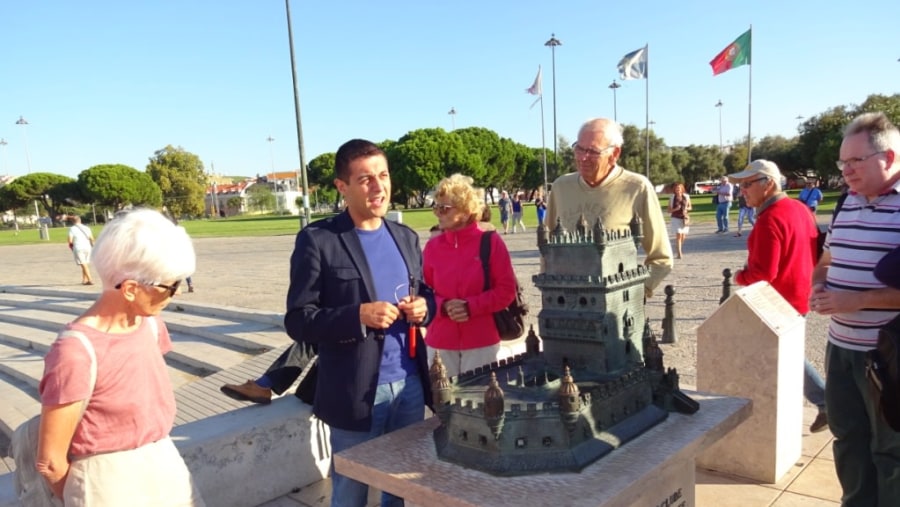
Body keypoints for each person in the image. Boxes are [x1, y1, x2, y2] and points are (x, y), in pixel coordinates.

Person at [283, 139, 435, 507]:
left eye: (383, 175)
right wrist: (357, 315)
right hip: (356, 390)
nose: (378, 186)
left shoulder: (406, 237)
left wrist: (423, 308)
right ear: (342, 187)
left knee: (400, 486)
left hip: (410, 383)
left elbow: (428, 294)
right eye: (365, 179)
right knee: (351, 489)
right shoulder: (318, 241)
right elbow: (298, 320)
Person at [37, 209, 205, 506]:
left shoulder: (152, 326)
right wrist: (84, 494)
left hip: (165, 464)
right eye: (171, 285)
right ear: (130, 289)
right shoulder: (75, 352)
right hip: (106, 481)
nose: (175, 294)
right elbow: (51, 461)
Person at [811, 112, 900, 506]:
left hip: (886, 354)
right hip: (840, 347)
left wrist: (857, 300)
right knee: (848, 438)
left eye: (855, 162)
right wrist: (817, 284)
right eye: (842, 163)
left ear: (889, 157)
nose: (845, 171)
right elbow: (827, 259)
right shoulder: (847, 202)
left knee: (891, 451)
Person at [729, 160, 828, 434]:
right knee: (788, 354)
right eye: (740, 186)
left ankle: (821, 401)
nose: (742, 191)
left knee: (783, 355)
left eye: (747, 185)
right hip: (801, 294)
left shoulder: (769, 220)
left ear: (768, 184)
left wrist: (740, 276)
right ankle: (819, 402)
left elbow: (763, 274)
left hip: (778, 302)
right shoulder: (799, 208)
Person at [545, 117, 673, 296]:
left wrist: (634, 293)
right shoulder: (561, 187)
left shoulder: (637, 188)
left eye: (593, 151)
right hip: (567, 302)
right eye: (579, 148)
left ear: (614, 154)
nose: (583, 157)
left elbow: (661, 258)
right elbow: (548, 249)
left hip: (615, 308)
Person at [423, 174, 517, 378]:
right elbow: (423, 291)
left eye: (444, 208)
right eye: (436, 207)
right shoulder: (432, 247)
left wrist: (470, 306)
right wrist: (443, 306)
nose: (437, 213)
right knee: (442, 405)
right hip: (440, 340)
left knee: (481, 405)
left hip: (481, 340)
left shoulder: (491, 243)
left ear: (466, 212)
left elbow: (506, 291)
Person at [67, 215, 94, 285]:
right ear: (80, 220)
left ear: (73, 221)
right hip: (88, 247)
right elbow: (92, 238)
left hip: (79, 247)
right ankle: (84, 280)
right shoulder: (87, 228)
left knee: (83, 264)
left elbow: (70, 240)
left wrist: (71, 247)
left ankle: (90, 279)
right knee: (85, 264)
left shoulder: (72, 229)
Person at [667, 183, 691, 259]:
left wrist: (686, 209)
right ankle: (679, 253)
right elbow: (668, 210)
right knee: (678, 235)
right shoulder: (672, 197)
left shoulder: (686, 196)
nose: (678, 189)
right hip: (675, 218)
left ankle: (678, 247)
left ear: (682, 189)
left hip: (684, 218)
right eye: (676, 188)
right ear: (674, 189)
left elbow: (690, 207)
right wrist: (675, 209)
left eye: (679, 188)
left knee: (683, 236)